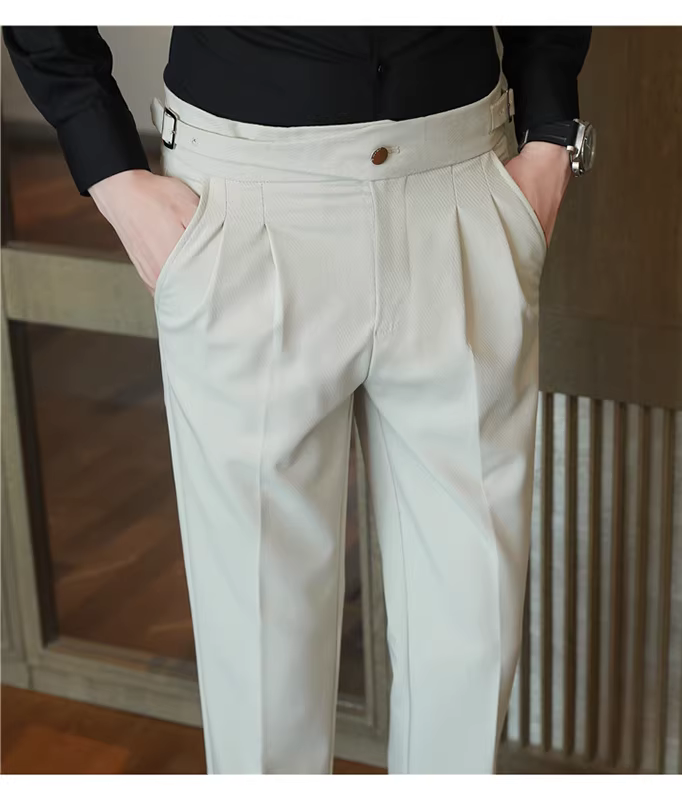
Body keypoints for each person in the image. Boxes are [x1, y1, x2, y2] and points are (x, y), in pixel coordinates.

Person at [3, 25, 593, 774]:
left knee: (473, 637)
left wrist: (551, 130)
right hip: (244, 202)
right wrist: (112, 173)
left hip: (461, 178)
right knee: (261, 664)